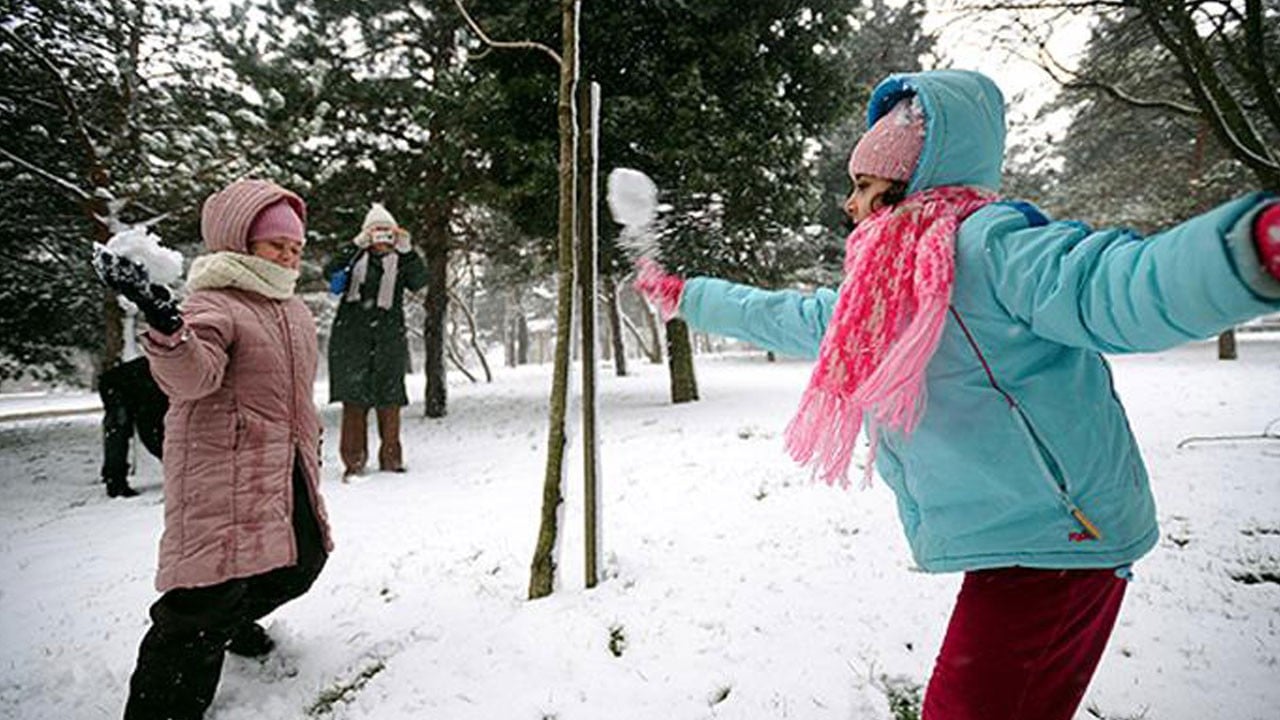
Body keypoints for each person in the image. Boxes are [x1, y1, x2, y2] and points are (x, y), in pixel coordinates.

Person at [633, 69, 1280, 720]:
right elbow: (795, 318)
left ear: (910, 182)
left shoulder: (991, 249)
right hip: (1021, 541)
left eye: (862, 186)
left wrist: (1246, 251)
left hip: (1062, 539)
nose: (849, 205)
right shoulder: (885, 288)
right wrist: (691, 297)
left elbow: (1114, 284)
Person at [94, 178, 334, 720]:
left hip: (283, 467)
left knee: (302, 560)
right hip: (220, 473)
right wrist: (166, 326)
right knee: (200, 605)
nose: (290, 256)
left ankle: (229, 625)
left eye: (296, 247)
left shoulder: (292, 310)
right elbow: (191, 379)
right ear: (239, 243)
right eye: (277, 245)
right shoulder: (215, 303)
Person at [324, 202, 428, 477]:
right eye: (376, 233)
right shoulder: (354, 259)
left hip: (388, 339)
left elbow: (420, 281)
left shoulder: (401, 261)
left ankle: (392, 460)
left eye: (387, 233)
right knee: (354, 401)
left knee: (390, 399)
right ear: (367, 234)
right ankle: (353, 462)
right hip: (351, 338)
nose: (382, 240)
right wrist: (354, 245)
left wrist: (408, 251)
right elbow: (329, 273)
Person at [97, 356, 168, 498]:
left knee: (118, 432)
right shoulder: (161, 387)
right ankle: (115, 483)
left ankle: (112, 476)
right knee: (119, 431)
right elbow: (151, 433)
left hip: (125, 384)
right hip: (118, 386)